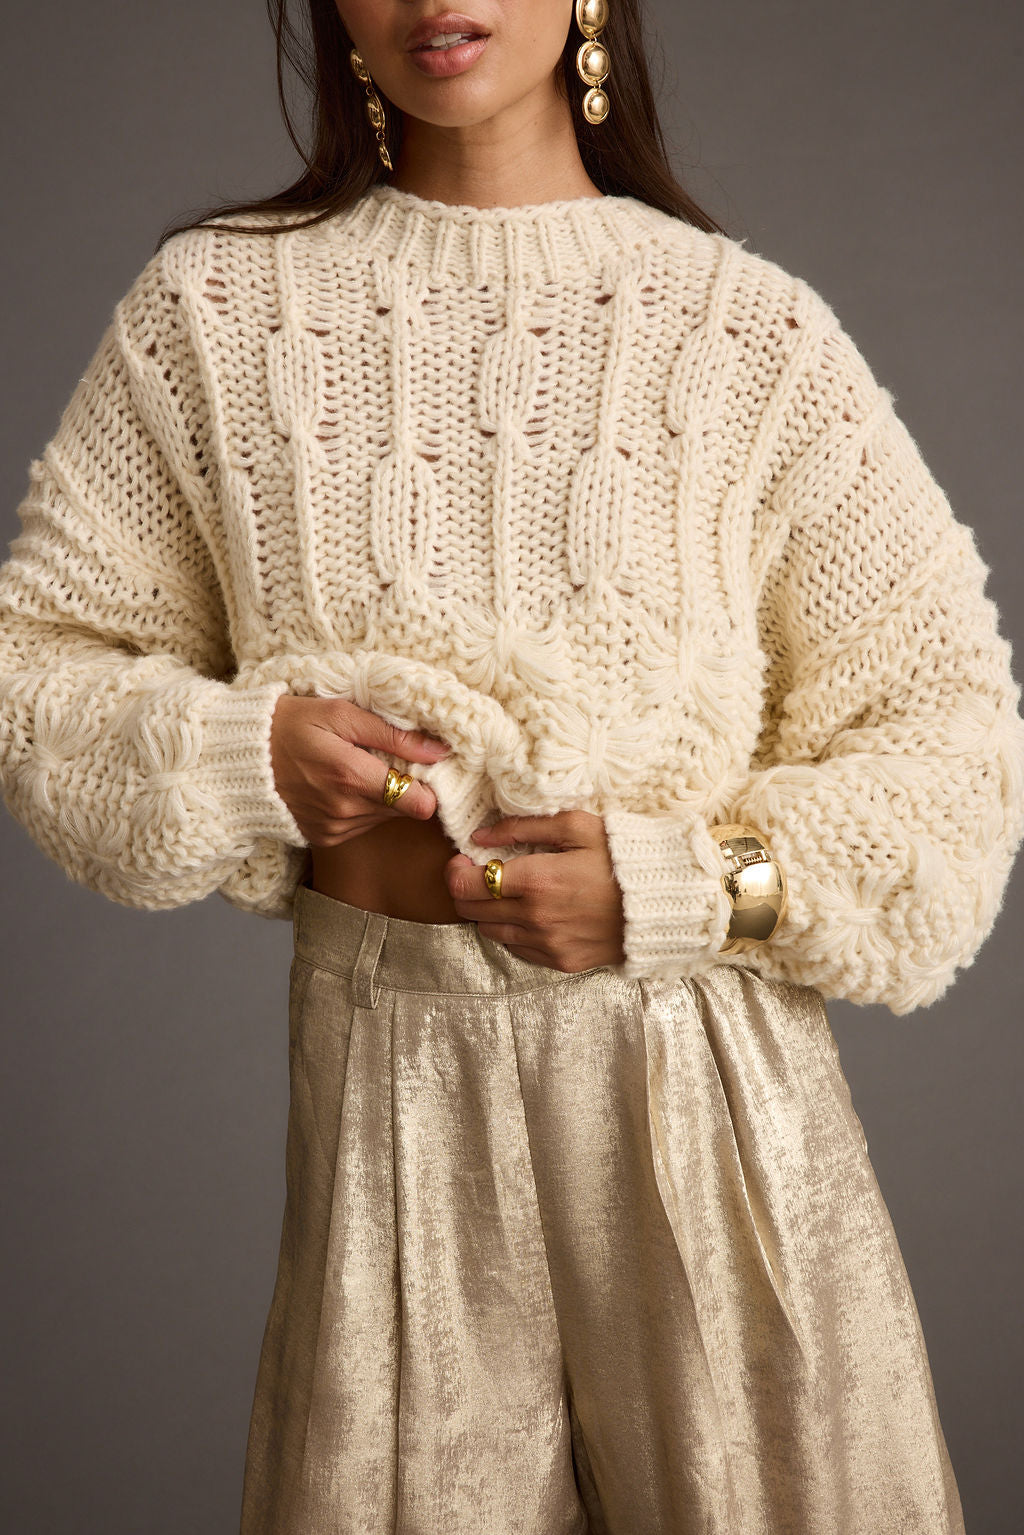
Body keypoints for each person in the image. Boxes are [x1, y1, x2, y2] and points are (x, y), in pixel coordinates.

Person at [1, 0, 1022, 1529]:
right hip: (387, 1083)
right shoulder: (215, 309)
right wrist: (240, 752)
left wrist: (692, 883)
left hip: (699, 1087)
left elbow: (952, 742)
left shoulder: (745, 332)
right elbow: (36, 669)